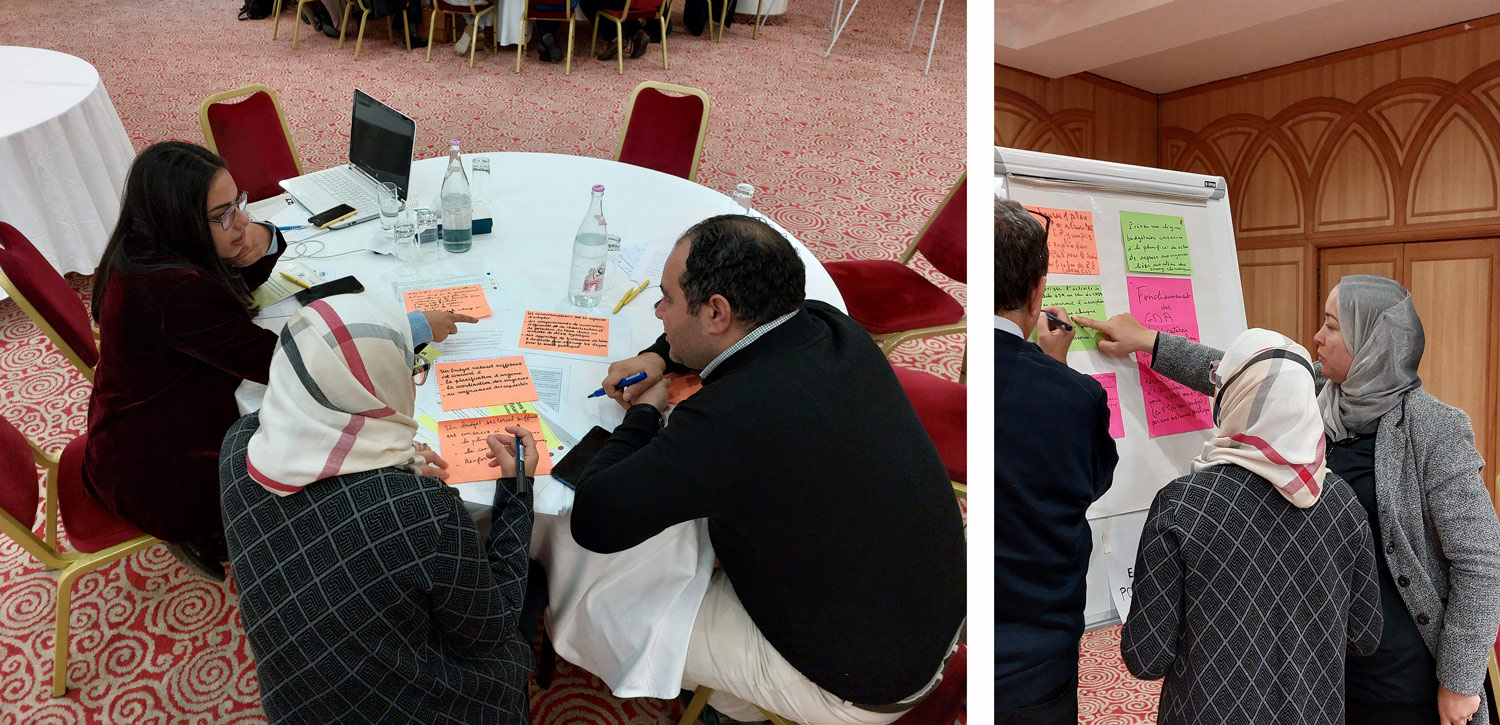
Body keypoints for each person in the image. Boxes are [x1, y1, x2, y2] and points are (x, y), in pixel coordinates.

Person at [572, 214, 965, 724]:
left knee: (608, 607)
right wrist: (658, 356)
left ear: (717, 311)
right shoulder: (827, 324)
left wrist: (646, 412)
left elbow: (595, 518)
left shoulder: (729, 419)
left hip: (861, 684)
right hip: (932, 606)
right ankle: (740, 699)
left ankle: (740, 705)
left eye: (666, 299)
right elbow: (705, 345)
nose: (660, 312)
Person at [1078, 275, 1500, 725]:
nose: (1317, 336)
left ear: (1371, 344)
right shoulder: (1314, 394)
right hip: (1323, 665)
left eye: (1332, 326)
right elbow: (1244, 370)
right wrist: (1148, 342)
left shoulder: (1435, 429)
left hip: (1404, 671)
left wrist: (1458, 682)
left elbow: (1481, 562)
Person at [83, 141, 473, 581]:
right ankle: (210, 536)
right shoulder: (173, 290)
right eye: (223, 215)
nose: (242, 220)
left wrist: (265, 239)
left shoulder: (145, 245)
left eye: (238, 203)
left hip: (131, 430)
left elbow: (228, 292)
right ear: (178, 219)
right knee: (350, 486)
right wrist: (410, 329)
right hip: (167, 470)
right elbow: (289, 363)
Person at [220, 293, 535, 724]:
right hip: (410, 708)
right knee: (524, 608)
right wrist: (518, 487)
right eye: (412, 370)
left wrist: (393, 466)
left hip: (295, 707)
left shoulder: (239, 444)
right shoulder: (421, 510)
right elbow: (489, 632)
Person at [1120, 328, 1383, 723]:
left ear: (1232, 397)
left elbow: (1146, 657)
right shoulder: (1343, 505)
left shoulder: (1182, 505)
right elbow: (1365, 636)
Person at [992, 199, 1117, 723]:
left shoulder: (947, 371)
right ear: (1038, 290)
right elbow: (1092, 479)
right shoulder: (1076, 398)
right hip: (1038, 656)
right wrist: (1058, 369)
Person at [580, 0, 650, 61]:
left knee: (586, 3)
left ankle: (614, 38)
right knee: (625, 5)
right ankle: (638, 32)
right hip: (648, 5)